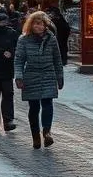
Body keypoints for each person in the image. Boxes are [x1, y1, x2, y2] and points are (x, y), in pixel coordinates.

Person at [14, 10, 64, 149]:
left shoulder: (51, 38)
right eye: (36, 24)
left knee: (48, 103)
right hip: (31, 75)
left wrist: (59, 77)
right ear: (31, 25)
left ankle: (47, 132)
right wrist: (19, 77)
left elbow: (57, 59)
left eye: (41, 24)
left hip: (48, 74)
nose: (39, 27)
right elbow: (19, 60)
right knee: (34, 107)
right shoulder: (23, 40)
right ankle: (35, 135)